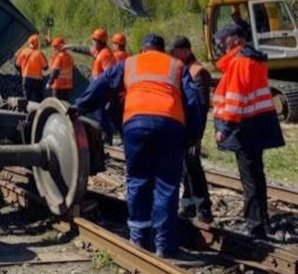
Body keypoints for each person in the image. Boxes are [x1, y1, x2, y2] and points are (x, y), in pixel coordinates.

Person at [73, 34, 203, 258]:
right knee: (166, 185)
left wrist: (79, 107)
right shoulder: (177, 65)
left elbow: (102, 85)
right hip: (170, 124)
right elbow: (193, 101)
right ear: (163, 51)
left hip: (136, 123)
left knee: (138, 179)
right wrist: (193, 135)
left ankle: (139, 240)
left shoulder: (130, 63)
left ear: (143, 50)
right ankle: (164, 246)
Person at [212, 24, 285, 238]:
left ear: (235, 40)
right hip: (258, 123)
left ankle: (254, 224)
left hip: (245, 126)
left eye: (224, 40)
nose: (222, 45)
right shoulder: (254, 59)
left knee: (249, 177)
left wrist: (225, 128)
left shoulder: (240, 62)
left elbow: (235, 97)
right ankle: (261, 220)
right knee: (256, 174)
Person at [170, 36, 213, 223]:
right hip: (181, 127)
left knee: (193, 167)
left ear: (186, 51)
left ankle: (203, 208)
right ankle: (188, 206)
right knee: (184, 168)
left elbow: (201, 107)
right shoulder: (182, 69)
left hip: (191, 130)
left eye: (176, 51)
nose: (173, 55)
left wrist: (197, 136)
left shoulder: (197, 71)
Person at [45, 37, 74, 101]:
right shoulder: (69, 57)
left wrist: (49, 83)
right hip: (67, 85)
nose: (53, 48)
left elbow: (55, 71)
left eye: (55, 47)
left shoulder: (59, 57)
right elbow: (72, 70)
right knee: (65, 103)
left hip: (58, 85)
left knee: (56, 104)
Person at [21, 37, 48, 103]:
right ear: (37, 43)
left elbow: (17, 64)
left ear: (29, 42)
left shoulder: (24, 51)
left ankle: (24, 111)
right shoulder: (39, 53)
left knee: (26, 97)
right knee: (38, 98)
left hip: (26, 78)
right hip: (37, 80)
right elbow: (45, 67)